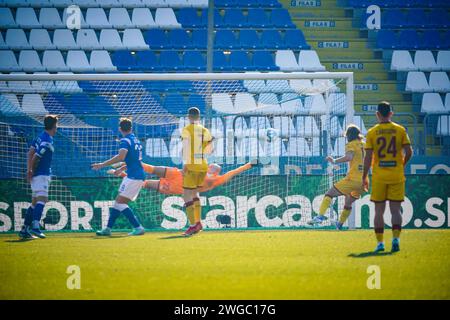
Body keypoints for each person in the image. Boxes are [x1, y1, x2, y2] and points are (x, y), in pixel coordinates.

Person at [363, 102, 413, 253]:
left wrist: (364, 176)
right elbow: (409, 152)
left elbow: (368, 157)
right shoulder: (400, 130)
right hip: (396, 175)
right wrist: (401, 165)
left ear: (377, 114)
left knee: (379, 211)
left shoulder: (372, 132)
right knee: (396, 210)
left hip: (379, 176)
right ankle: (396, 239)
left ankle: (380, 244)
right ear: (391, 113)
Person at [92, 118, 146, 236]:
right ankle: (107, 229)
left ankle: (138, 227)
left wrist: (102, 164)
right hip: (134, 174)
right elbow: (134, 159)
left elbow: (121, 156)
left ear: (120, 129)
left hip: (134, 176)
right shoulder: (135, 140)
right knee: (118, 202)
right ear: (131, 128)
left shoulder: (125, 140)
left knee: (120, 203)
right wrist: (121, 169)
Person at [308, 124, 367, 230]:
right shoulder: (365, 144)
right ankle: (339, 225)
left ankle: (320, 217)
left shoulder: (351, 144)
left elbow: (349, 157)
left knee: (329, 194)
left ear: (349, 135)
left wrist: (334, 161)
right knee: (348, 202)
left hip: (353, 179)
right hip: (364, 181)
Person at [19, 115, 58, 239]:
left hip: (37, 174)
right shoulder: (47, 140)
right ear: (53, 126)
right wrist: (30, 170)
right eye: (56, 125)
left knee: (35, 203)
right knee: (43, 199)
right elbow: (36, 156)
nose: (57, 128)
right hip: (41, 174)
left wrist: (29, 169)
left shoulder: (39, 137)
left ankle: (24, 230)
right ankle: (36, 227)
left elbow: (30, 152)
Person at [109, 162, 254, 195]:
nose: (210, 167)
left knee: (146, 180)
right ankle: (125, 165)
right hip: (177, 179)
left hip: (178, 183)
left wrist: (249, 165)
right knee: (148, 173)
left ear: (213, 170)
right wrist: (249, 165)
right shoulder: (215, 178)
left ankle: (123, 169)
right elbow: (235, 171)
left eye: (212, 167)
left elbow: (234, 172)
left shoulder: (215, 179)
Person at [181, 107, 213, 236]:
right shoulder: (205, 130)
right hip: (203, 166)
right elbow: (210, 149)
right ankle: (198, 222)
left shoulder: (187, 130)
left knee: (186, 195)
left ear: (188, 116)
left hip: (192, 166)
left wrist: (185, 165)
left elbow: (186, 149)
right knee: (194, 194)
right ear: (199, 117)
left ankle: (193, 225)